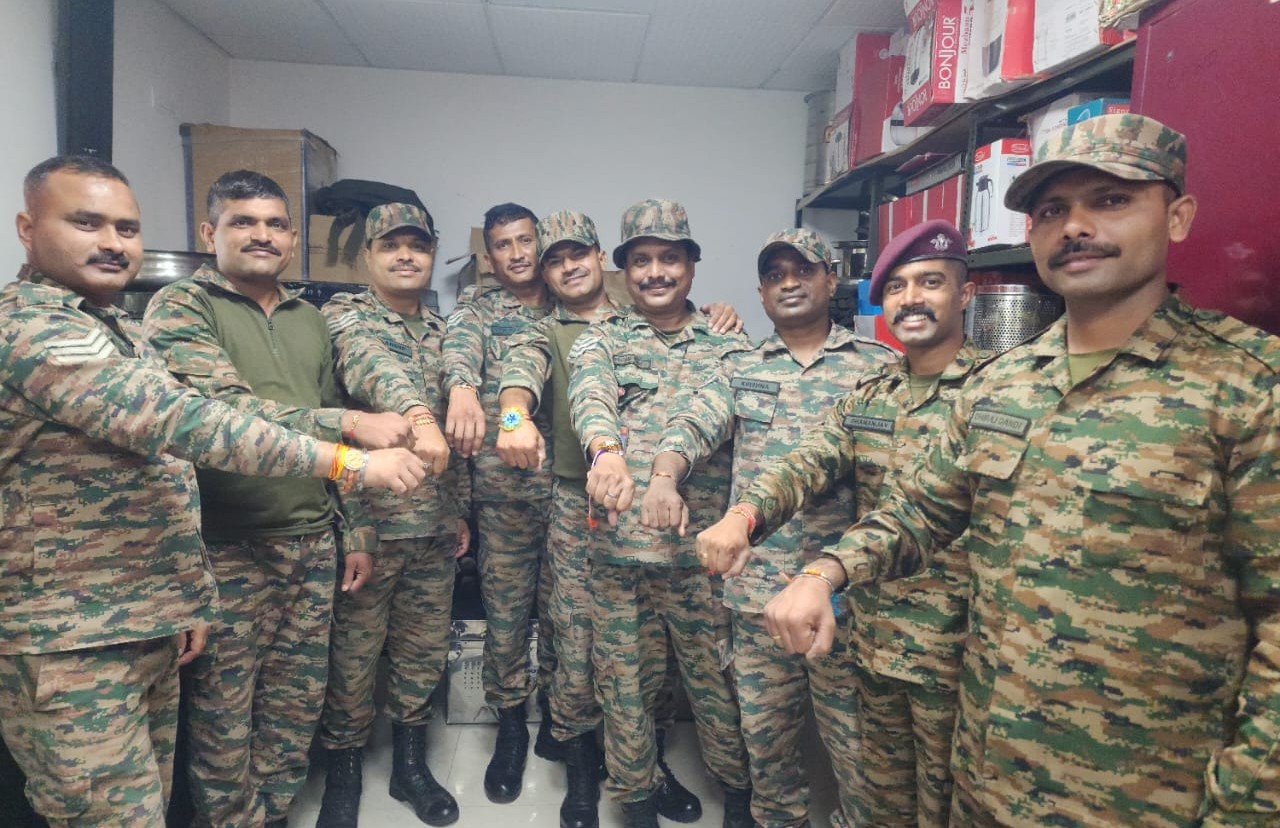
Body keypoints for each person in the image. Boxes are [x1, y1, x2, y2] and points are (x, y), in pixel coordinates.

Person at [725, 114, 1280, 825]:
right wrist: (822, 573)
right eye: (1051, 211)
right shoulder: (1005, 385)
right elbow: (920, 510)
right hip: (990, 765)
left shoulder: (1248, 386)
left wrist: (1245, 807)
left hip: (1146, 792)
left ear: (1177, 217)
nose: (1075, 227)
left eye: (1111, 200)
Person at [0, 155, 424, 827]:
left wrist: (185, 591)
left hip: (169, 595)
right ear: (28, 229)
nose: (112, 243)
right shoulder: (44, 328)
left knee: (286, 714)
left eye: (126, 228)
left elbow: (161, 470)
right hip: (75, 632)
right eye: (86, 223)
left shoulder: (121, 328)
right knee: (203, 744)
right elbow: (196, 420)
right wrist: (347, 451)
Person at [143, 170, 416, 828]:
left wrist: (356, 532)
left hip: (312, 543)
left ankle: (274, 815)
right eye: (243, 222)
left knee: (294, 710)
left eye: (275, 224)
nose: (261, 235)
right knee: (223, 719)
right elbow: (226, 414)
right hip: (226, 548)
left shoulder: (309, 321)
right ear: (209, 232)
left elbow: (335, 431)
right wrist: (348, 424)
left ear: (293, 238)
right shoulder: (182, 308)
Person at [700, 220, 984, 827]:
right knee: (878, 796)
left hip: (958, 642)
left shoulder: (999, 394)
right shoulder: (872, 395)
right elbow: (805, 463)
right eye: (897, 287)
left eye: (931, 283)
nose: (911, 299)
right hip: (873, 631)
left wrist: (822, 572)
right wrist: (745, 515)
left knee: (952, 800)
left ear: (965, 294)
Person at [496, 210, 737, 828]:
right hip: (592, 517)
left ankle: (659, 771)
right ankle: (591, 774)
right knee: (586, 653)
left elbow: (718, 401)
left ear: (601, 258)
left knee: (671, 665)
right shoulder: (564, 334)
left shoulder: (709, 331)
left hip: (685, 529)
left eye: (577, 254)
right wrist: (521, 423)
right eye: (554, 259)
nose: (569, 267)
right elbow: (541, 388)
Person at [696, 228, 896, 828]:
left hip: (847, 595)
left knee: (859, 749)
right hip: (758, 591)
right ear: (760, 293)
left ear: (830, 280)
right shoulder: (739, 368)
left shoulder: (879, 367)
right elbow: (695, 427)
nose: (789, 283)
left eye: (803, 271)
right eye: (775, 275)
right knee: (766, 742)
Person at [567, 199, 752, 828]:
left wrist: (666, 471)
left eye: (669, 257)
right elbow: (590, 394)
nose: (655, 272)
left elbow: (712, 411)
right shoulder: (602, 337)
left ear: (691, 265)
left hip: (701, 554)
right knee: (624, 686)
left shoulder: (727, 341)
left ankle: (740, 796)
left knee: (716, 684)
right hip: (619, 554)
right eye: (641, 260)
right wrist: (606, 451)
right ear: (623, 269)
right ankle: (637, 800)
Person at [314, 203, 469, 828]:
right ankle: (344, 771)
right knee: (353, 657)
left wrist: (458, 512)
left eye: (418, 245)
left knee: (422, 652)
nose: (406, 256)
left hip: (433, 525)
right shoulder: (344, 318)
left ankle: (410, 766)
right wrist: (353, 528)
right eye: (391, 245)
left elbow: (459, 432)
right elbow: (370, 372)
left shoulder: (446, 332)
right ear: (367, 256)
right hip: (370, 524)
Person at [441, 203, 556, 803]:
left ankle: (566, 724)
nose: (517, 253)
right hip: (505, 492)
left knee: (570, 620)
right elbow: (458, 355)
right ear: (489, 256)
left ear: (541, 242)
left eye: (525, 240)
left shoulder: (572, 298)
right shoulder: (478, 309)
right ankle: (510, 726)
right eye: (503, 245)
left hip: (574, 495)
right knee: (507, 619)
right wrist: (462, 389)